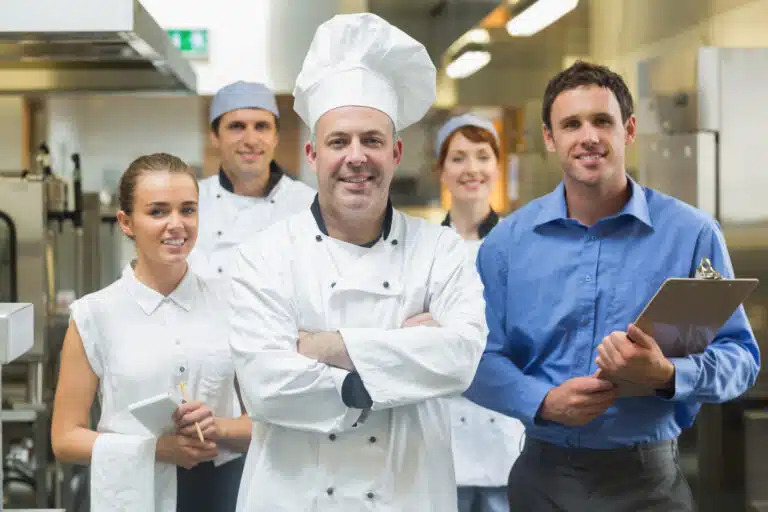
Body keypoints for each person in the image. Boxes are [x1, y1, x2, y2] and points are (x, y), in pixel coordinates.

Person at [464, 60, 760, 512]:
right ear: (550, 137)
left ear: (629, 129)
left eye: (603, 120)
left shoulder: (693, 235)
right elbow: (475, 356)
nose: (589, 136)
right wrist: (542, 400)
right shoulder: (507, 244)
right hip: (541, 480)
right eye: (571, 124)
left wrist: (666, 375)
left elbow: (740, 360)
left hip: (649, 485)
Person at [227, 13, 487, 512]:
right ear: (312, 154)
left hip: (408, 494)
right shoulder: (263, 256)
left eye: (371, 140)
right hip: (293, 497)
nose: (356, 157)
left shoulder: (440, 250)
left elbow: (460, 359)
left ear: (395, 152)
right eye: (338, 141)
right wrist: (404, 357)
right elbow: (265, 386)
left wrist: (329, 346)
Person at [51, 153, 252, 511]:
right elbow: (65, 439)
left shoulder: (232, 304)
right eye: (158, 211)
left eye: (187, 210)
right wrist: (157, 450)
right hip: (131, 495)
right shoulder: (94, 315)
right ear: (126, 223)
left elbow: (266, 422)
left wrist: (218, 428)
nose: (177, 224)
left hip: (222, 492)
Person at [435, 113, 525, 512]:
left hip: (502, 426)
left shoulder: (523, 245)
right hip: (441, 429)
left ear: (497, 166)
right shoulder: (422, 248)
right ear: (442, 170)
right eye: (458, 158)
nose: (471, 168)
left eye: (482, 156)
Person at [188, 80, 315, 280]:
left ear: (275, 137)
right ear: (214, 137)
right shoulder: (191, 202)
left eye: (261, 127)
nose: (250, 140)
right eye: (237, 126)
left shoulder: (308, 205)